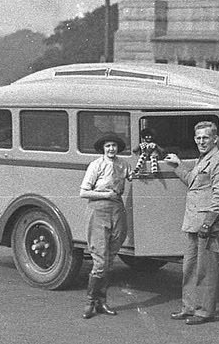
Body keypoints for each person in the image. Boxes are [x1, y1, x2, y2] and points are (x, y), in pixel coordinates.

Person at [164, 121, 219, 325]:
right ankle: (189, 307)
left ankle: (204, 312)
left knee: (206, 270)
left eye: (206, 137)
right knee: (190, 267)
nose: (202, 141)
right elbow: (192, 182)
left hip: (207, 225)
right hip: (194, 221)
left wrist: (208, 224)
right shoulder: (203, 159)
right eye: (198, 138)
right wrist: (177, 165)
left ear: (215, 139)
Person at [79, 132, 132, 319]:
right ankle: (90, 302)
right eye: (108, 146)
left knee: (109, 260)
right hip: (98, 211)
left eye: (114, 146)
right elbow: (83, 192)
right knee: (100, 261)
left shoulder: (123, 164)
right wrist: (105, 195)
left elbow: (133, 176)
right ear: (103, 148)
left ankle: (102, 302)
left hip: (117, 210)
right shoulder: (96, 165)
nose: (111, 149)